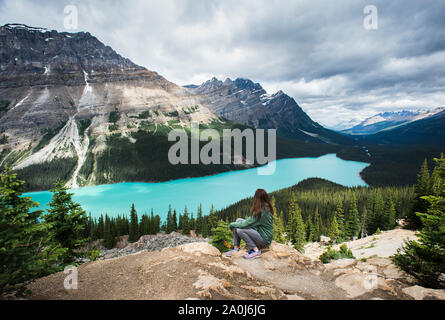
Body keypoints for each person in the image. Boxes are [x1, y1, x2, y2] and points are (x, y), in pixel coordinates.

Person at [225, 189, 274, 259]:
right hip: (261, 232)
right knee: (238, 220)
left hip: (264, 239)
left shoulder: (262, 211)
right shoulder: (265, 206)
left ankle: (255, 251)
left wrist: (231, 225)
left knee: (240, 230)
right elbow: (249, 223)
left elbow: (245, 224)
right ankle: (236, 248)